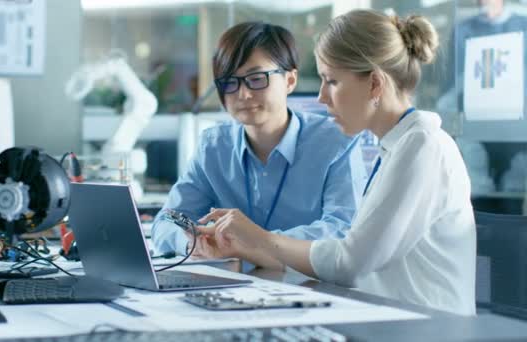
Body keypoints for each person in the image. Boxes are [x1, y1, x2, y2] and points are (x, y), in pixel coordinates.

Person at [198, 10, 476, 315]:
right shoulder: (398, 146)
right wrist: (254, 246)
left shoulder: (422, 146)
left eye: (331, 81)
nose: (321, 97)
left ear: (374, 85)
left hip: (427, 329)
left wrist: (260, 238)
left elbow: (350, 263)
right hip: (389, 321)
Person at [151, 22, 366, 259]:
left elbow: (342, 229)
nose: (243, 94)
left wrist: (255, 245)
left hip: (309, 286)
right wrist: (195, 242)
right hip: (232, 288)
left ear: (290, 80)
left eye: (256, 78)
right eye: (229, 82)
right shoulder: (213, 147)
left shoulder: (337, 142)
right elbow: (165, 222)